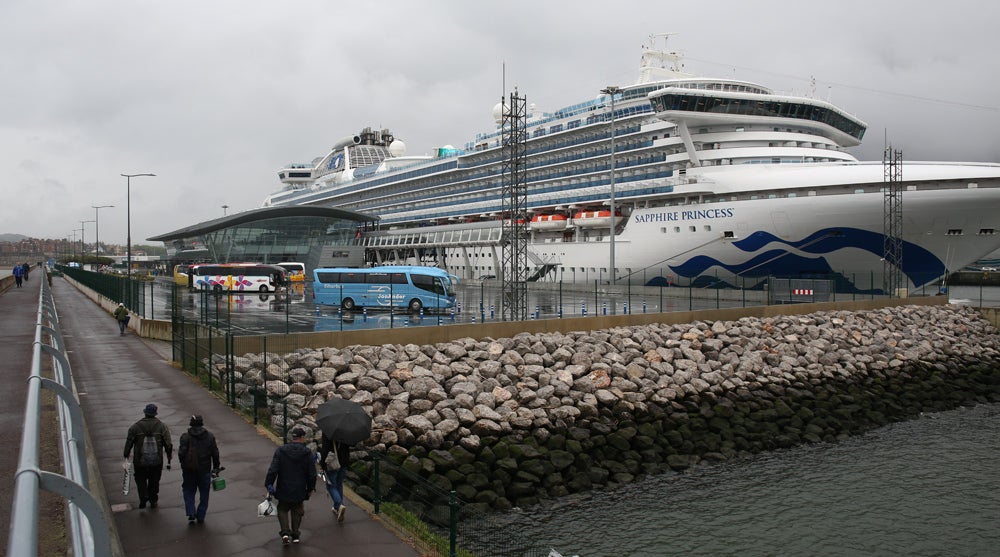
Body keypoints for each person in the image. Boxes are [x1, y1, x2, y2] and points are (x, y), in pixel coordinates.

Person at [264, 427, 317, 545]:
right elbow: (312, 474)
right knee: (297, 509)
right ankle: (295, 534)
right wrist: (310, 488)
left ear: (292, 437)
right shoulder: (307, 453)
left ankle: (285, 533)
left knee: (282, 509)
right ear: (302, 438)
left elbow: (273, 469)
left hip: (284, 486)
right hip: (299, 487)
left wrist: (269, 483)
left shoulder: (281, 450)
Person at [124, 403, 173, 509]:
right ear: (155, 413)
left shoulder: (135, 427)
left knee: (140, 478)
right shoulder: (162, 427)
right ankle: (153, 500)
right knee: (154, 480)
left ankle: (143, 496)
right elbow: (168, 444)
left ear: (145, 413)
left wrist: (126, 455)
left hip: (139, 460)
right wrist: (169, 458)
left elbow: (129, 443)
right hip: (157, 460)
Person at [178, 415, 221, 524]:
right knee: (204, 493)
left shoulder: (185, 437)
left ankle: (191, 511)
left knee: (188, 489)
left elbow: (181, 453)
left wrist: (184, 464)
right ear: (202, 423)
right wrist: (216, 467)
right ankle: (201, 515)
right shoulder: (210, 437)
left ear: (191, 423)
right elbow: (215, 454)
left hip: (189, 470)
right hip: (205, 470)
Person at [319, 433, 350, 522]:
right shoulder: (347, 430)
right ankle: (337, 508)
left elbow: (325, 449)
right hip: (344, 460)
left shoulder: (328, 431)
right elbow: (352, 444)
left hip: (332, 461)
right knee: (339, 484)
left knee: (331, 485)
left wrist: (322, 464)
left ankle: (339, 504)